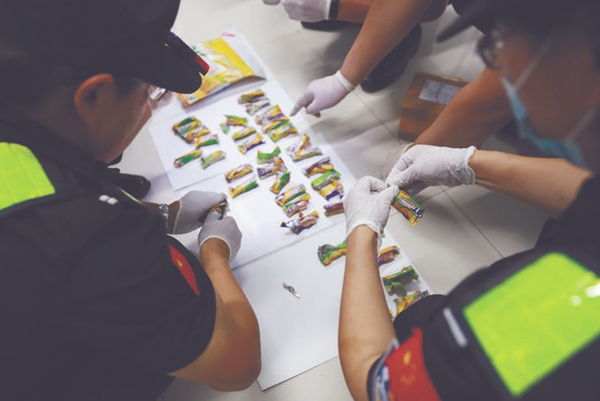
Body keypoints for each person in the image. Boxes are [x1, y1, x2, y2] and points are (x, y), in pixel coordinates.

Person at [339, 0, 600, 400]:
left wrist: (360, 231)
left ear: (578, 60)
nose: (499, 66)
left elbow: (377, 385)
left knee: (416, 326)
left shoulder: (557, 305)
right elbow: (589, 196)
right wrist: (467, 163)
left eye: (498, 43)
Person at [0, 1, 260, 400]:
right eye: (150, 91)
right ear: (93, 96)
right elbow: (237, 365)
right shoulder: (86, 234)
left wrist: (162, 214)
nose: (148, 109)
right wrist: (214, 255)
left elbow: (44, 179)